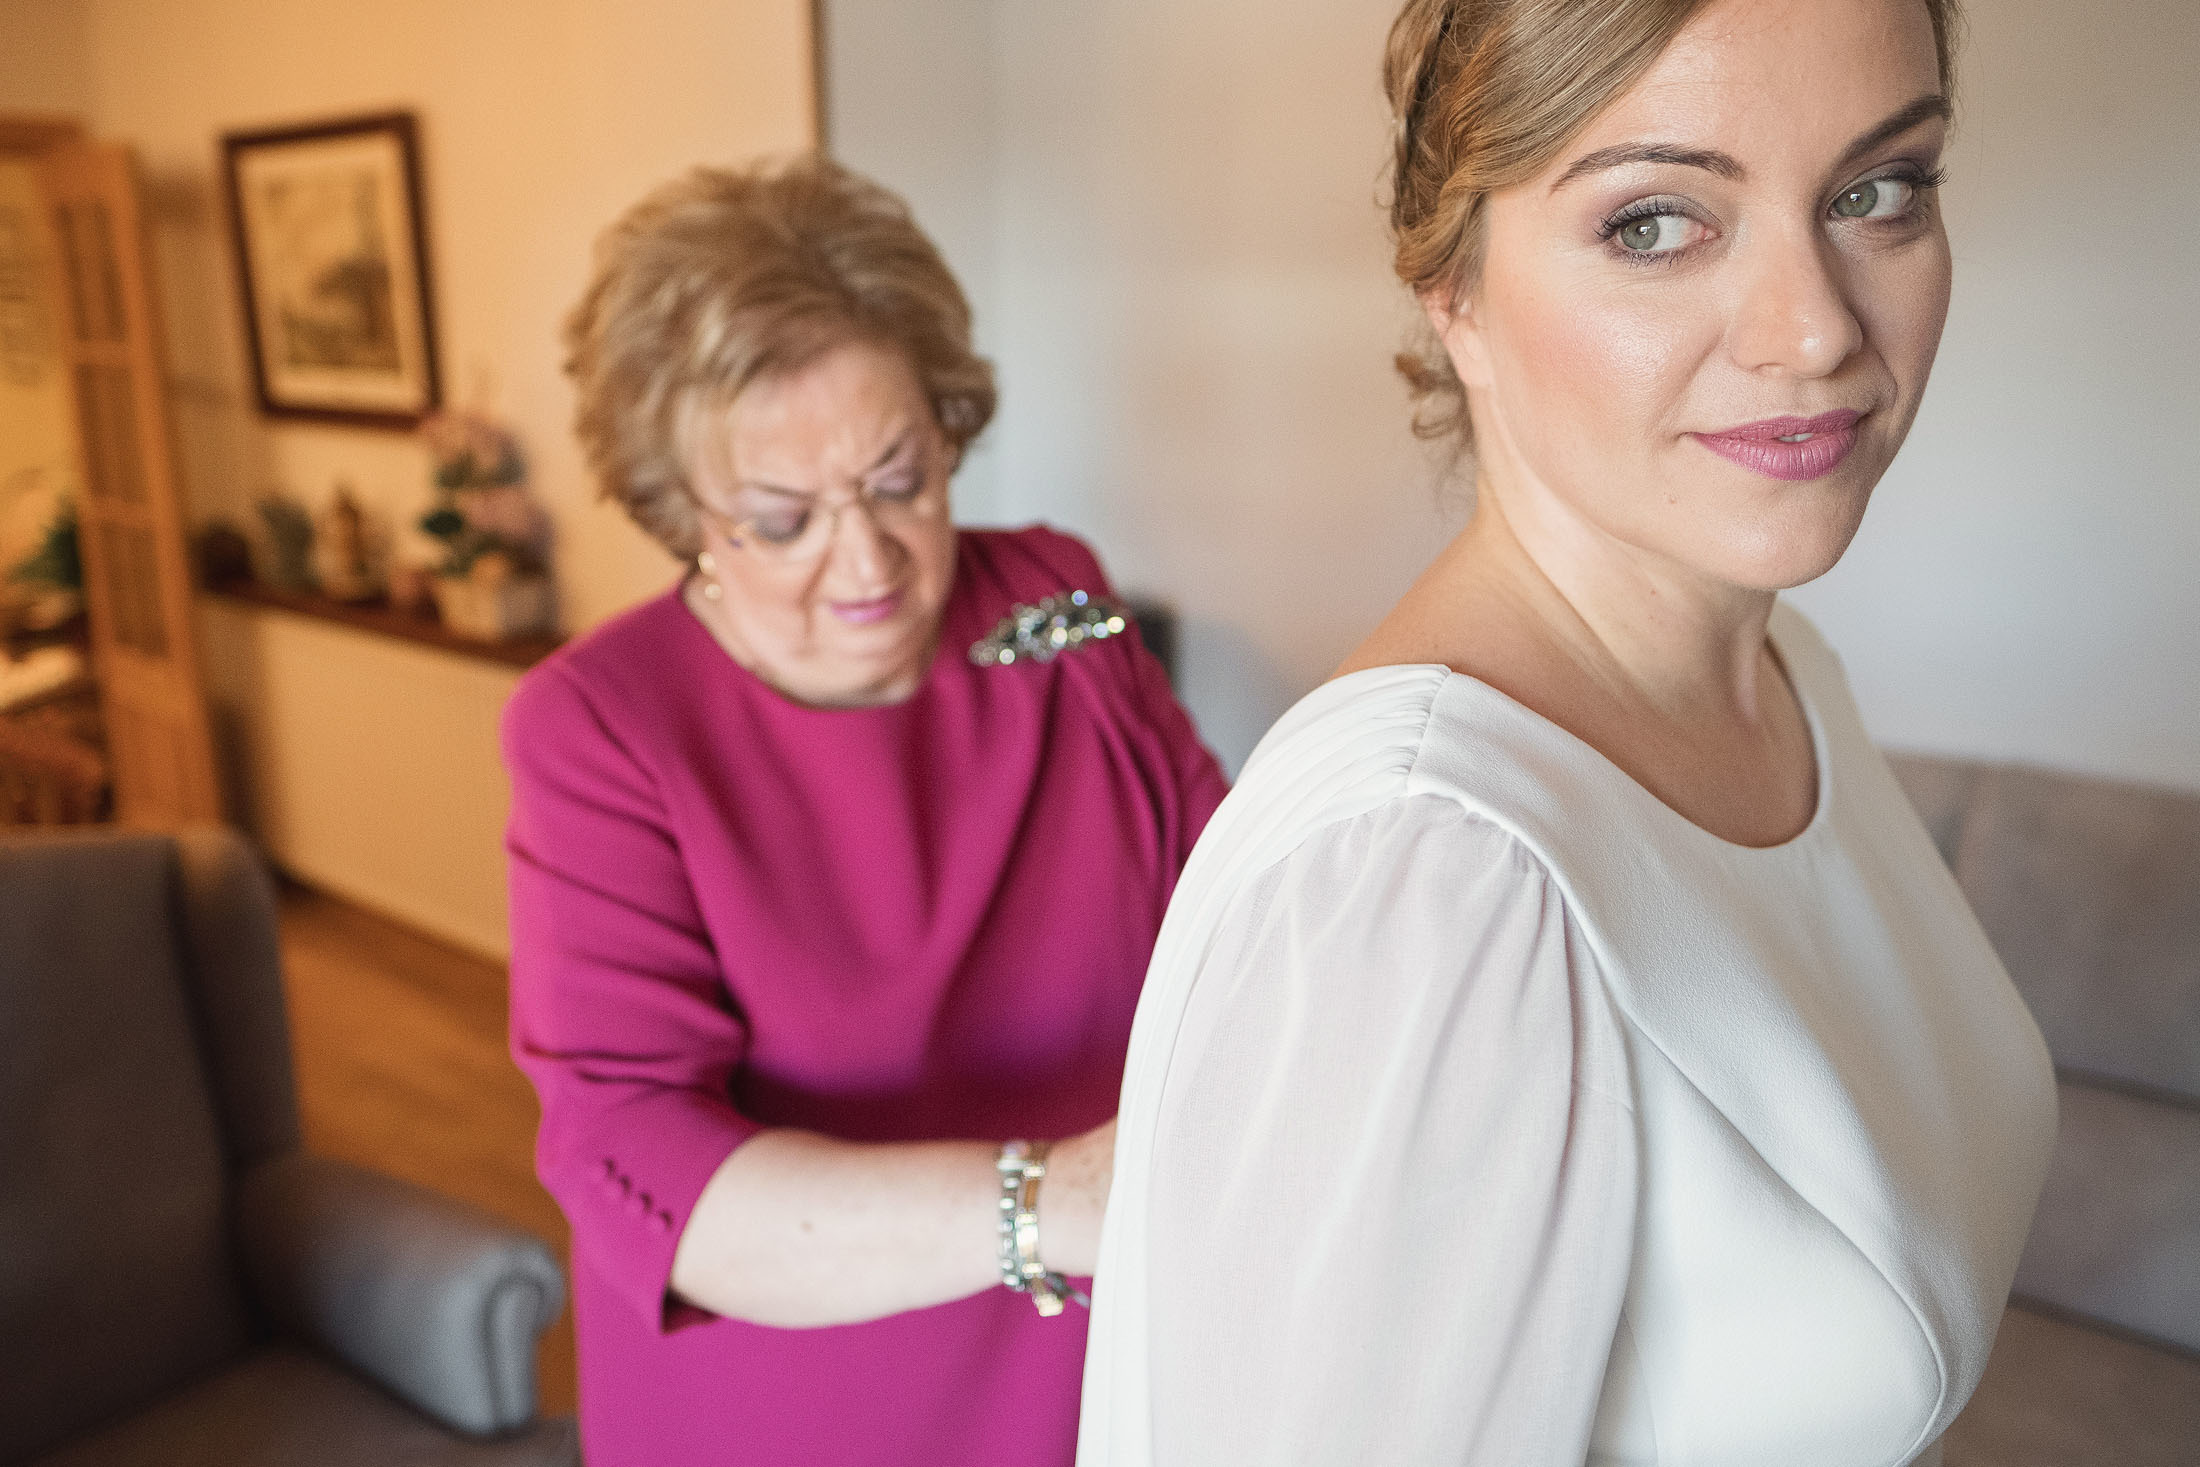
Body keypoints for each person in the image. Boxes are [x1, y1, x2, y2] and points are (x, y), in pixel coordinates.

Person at [1079, 0, 2056, 1462]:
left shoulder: (1788, 671)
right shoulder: (1430, 888)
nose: (1817, 329)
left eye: (1877, 192)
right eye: (1657, 223)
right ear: (1453, 292)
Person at [503, 156, 1228, 1466]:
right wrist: (1050, 1207)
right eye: (782, 520)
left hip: (1109, 1365)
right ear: (683, 516)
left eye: (901, 479)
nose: (867, 561)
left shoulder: (1055, 599)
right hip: (807, 1399)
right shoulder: (600, 727)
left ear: (946, 425)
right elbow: (639, 1173)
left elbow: (1236, 902)